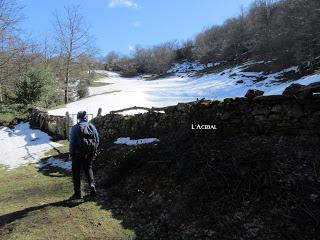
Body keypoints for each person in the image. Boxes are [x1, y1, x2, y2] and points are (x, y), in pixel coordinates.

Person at [69, 111, 99, 200]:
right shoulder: (92, 126)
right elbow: (97, 140)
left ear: (78, 118)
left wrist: (71, 153)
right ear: (85, 117)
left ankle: (77, 193)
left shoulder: (75, 128)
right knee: (88, 169)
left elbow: (72, 143)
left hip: (77, 154)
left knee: (76, 172)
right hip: (90, 153)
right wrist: (93, 150)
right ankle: (92, 186)